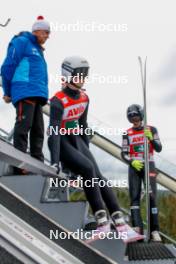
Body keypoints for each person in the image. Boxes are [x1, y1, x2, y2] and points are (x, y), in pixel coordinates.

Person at [48, 56, 125, 228]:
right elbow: (53, 132)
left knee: (98, 174)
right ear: (68, 76)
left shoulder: (84, 98)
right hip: (60, 141)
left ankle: (118, 217)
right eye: (79, 75)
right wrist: (55, 162)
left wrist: (86, 151)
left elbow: (83, 126)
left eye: (84, 75)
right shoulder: (57, 101)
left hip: (77, 140)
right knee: (88, 169)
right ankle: (100, 217)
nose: (82, 79)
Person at [1, 16, 50, 174]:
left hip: (37, 94)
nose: (48, 36)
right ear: (36, 30)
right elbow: (7, 66)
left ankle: (37, 165)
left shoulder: (38, 50)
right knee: (24, 127)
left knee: (38, 131)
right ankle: (19, 165)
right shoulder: (21, 42)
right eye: (46, 32)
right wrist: (7, 92)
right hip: (24, 91)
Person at [121, 104, 162, 241]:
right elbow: (124, 153)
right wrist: (131, 161)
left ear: (142, 116)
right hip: (135, 166)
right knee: (134, 197)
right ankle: (137, 228)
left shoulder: (151, 129)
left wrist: (150, 138)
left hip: (149, 164)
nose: (135, 120)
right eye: (132, 119)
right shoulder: (127, 133)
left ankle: (155, 231)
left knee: (151, 197)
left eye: (137, 117)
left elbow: (159, 148)